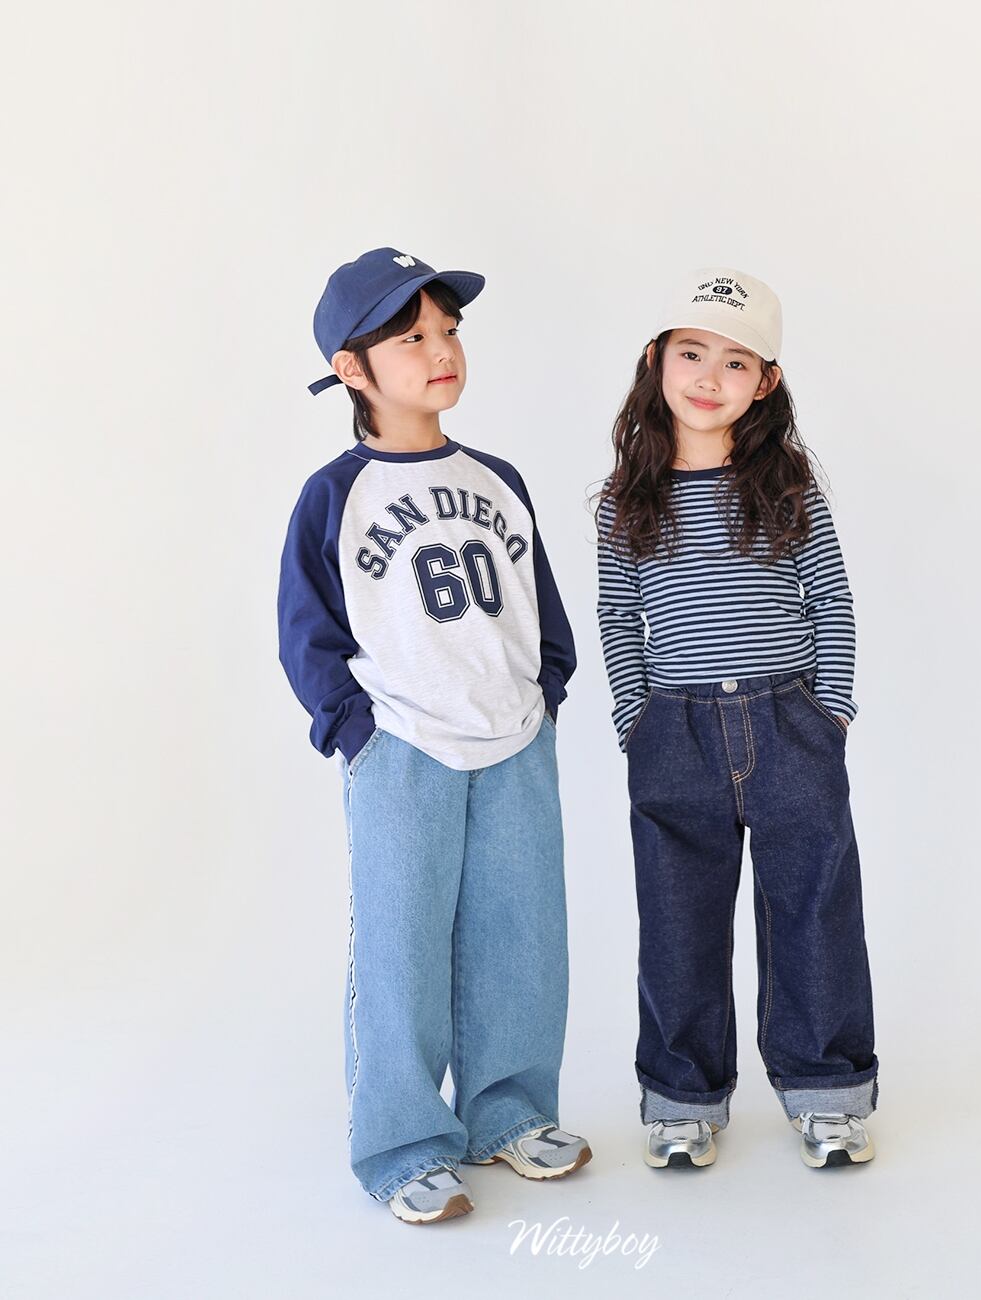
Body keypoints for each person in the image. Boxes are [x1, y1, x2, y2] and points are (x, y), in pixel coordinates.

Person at [278, 246, 590, 1223]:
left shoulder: (498, 478)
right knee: (402, 949)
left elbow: (534, 599)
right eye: (411, 337)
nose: (441, 349)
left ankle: (509, 1111)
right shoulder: (336, 493)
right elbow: (306, 629)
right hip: (404, 747)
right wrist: (355, 730)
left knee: (522, 935)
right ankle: (403, 1142)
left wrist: (548, 690)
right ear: (352, 368)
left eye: (448, 330)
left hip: (514, 739)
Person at [595, 267, 879, 1171]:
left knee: (814, 910)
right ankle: (683, 1100)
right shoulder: (627, 498)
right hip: (674, 731)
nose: (709, 377)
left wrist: (830, 712)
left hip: (789, 721)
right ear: (657, 359)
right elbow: (617, 616)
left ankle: (828, 1093)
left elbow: (831, 600)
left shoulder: (787, 486)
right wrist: (636, 719)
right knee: (678, 921)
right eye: (692, 353)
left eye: (736, 362)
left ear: (766, 383)